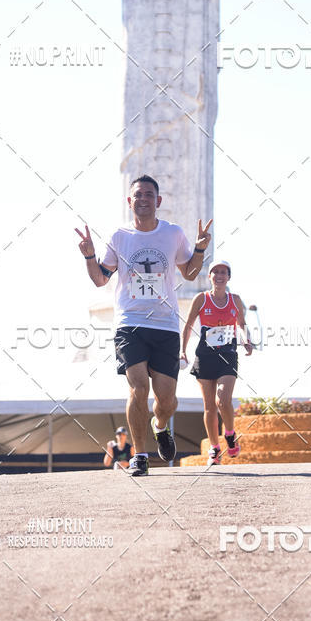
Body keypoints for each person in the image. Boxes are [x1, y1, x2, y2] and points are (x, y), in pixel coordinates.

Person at [75, 174, 212, 476]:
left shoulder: (173, 234)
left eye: (149, 194)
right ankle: (140, 455)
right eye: (138, 194)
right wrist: (88, 256)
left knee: (167, 400)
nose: (143, 199)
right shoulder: (119, 237)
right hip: (130, 322)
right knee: (138, 387)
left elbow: (189, 273)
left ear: (158, 201)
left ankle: (160, 425)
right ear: (130, 201)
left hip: (165, 325)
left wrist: (200, 249)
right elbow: (101, 278)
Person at [181, 260, 253, 466]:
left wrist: (247, 341)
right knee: (209, 407)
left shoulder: (235, 300)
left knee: (223, 400)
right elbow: (187, 326)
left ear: (228, 277)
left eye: (223, 272)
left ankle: (229, 434)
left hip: (228, 355)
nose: (219, 275)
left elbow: (242, 324)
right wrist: (182, 351)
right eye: (215, 272)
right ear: (210, 276)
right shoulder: (201, 299)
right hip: (205, 355)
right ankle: (214, 448)